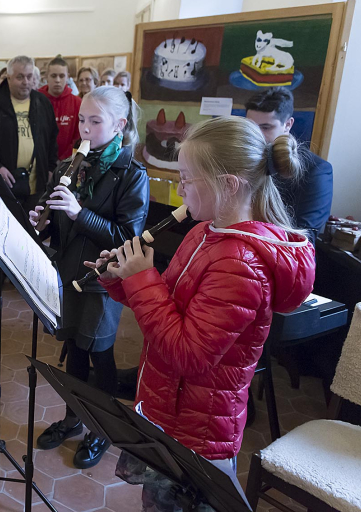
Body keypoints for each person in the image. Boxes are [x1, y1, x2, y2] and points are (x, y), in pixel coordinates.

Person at [93, 116, 314, 508]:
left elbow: (188, 354)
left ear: (228, 185)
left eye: (186, 180)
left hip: (196, 433)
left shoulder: (242, 263)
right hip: (169, 410)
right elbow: (167, 311)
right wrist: (123, 277)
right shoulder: (204, 231)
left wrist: (143, 280)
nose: (179, 191)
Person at [29, 86, 149, 469]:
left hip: (103, 281)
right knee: (75, 352)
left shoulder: (132, 174)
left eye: (95, 121)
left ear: (119, 124)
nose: (85, 129)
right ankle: (73, 419)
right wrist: (43, 225)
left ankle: (103, 430)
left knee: (100, 356)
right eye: (82, 119)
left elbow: (126, 239)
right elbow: (62, 228)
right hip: (68, 275)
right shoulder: (71, 163)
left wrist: (80, 213)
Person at [0, 55, 58, 293]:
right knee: (1, 232)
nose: (25, 82)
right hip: (3, 181)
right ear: (8, 77)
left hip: (36, 180)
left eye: (30, 77)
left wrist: (51, 167)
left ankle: (24, 279)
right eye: (19, 77)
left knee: (29, 233)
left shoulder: (42, 103)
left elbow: (52, 138)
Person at [245, 87, 333, 244]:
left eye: (265, 127)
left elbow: (305, 237)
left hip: (282, 257)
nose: (256, 134)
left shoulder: (317, 171)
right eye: (251, 126)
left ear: (287, 124)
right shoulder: (242, 158)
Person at [39, 55, 82, 162]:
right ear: (46, 77)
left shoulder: (77, 103)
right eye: (53, 76)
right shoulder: (36, 100)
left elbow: (79, 136)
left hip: (67, 161)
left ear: (68, 77)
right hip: (39, 161)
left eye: (62, 76)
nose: (57, 80)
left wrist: (63, 159)